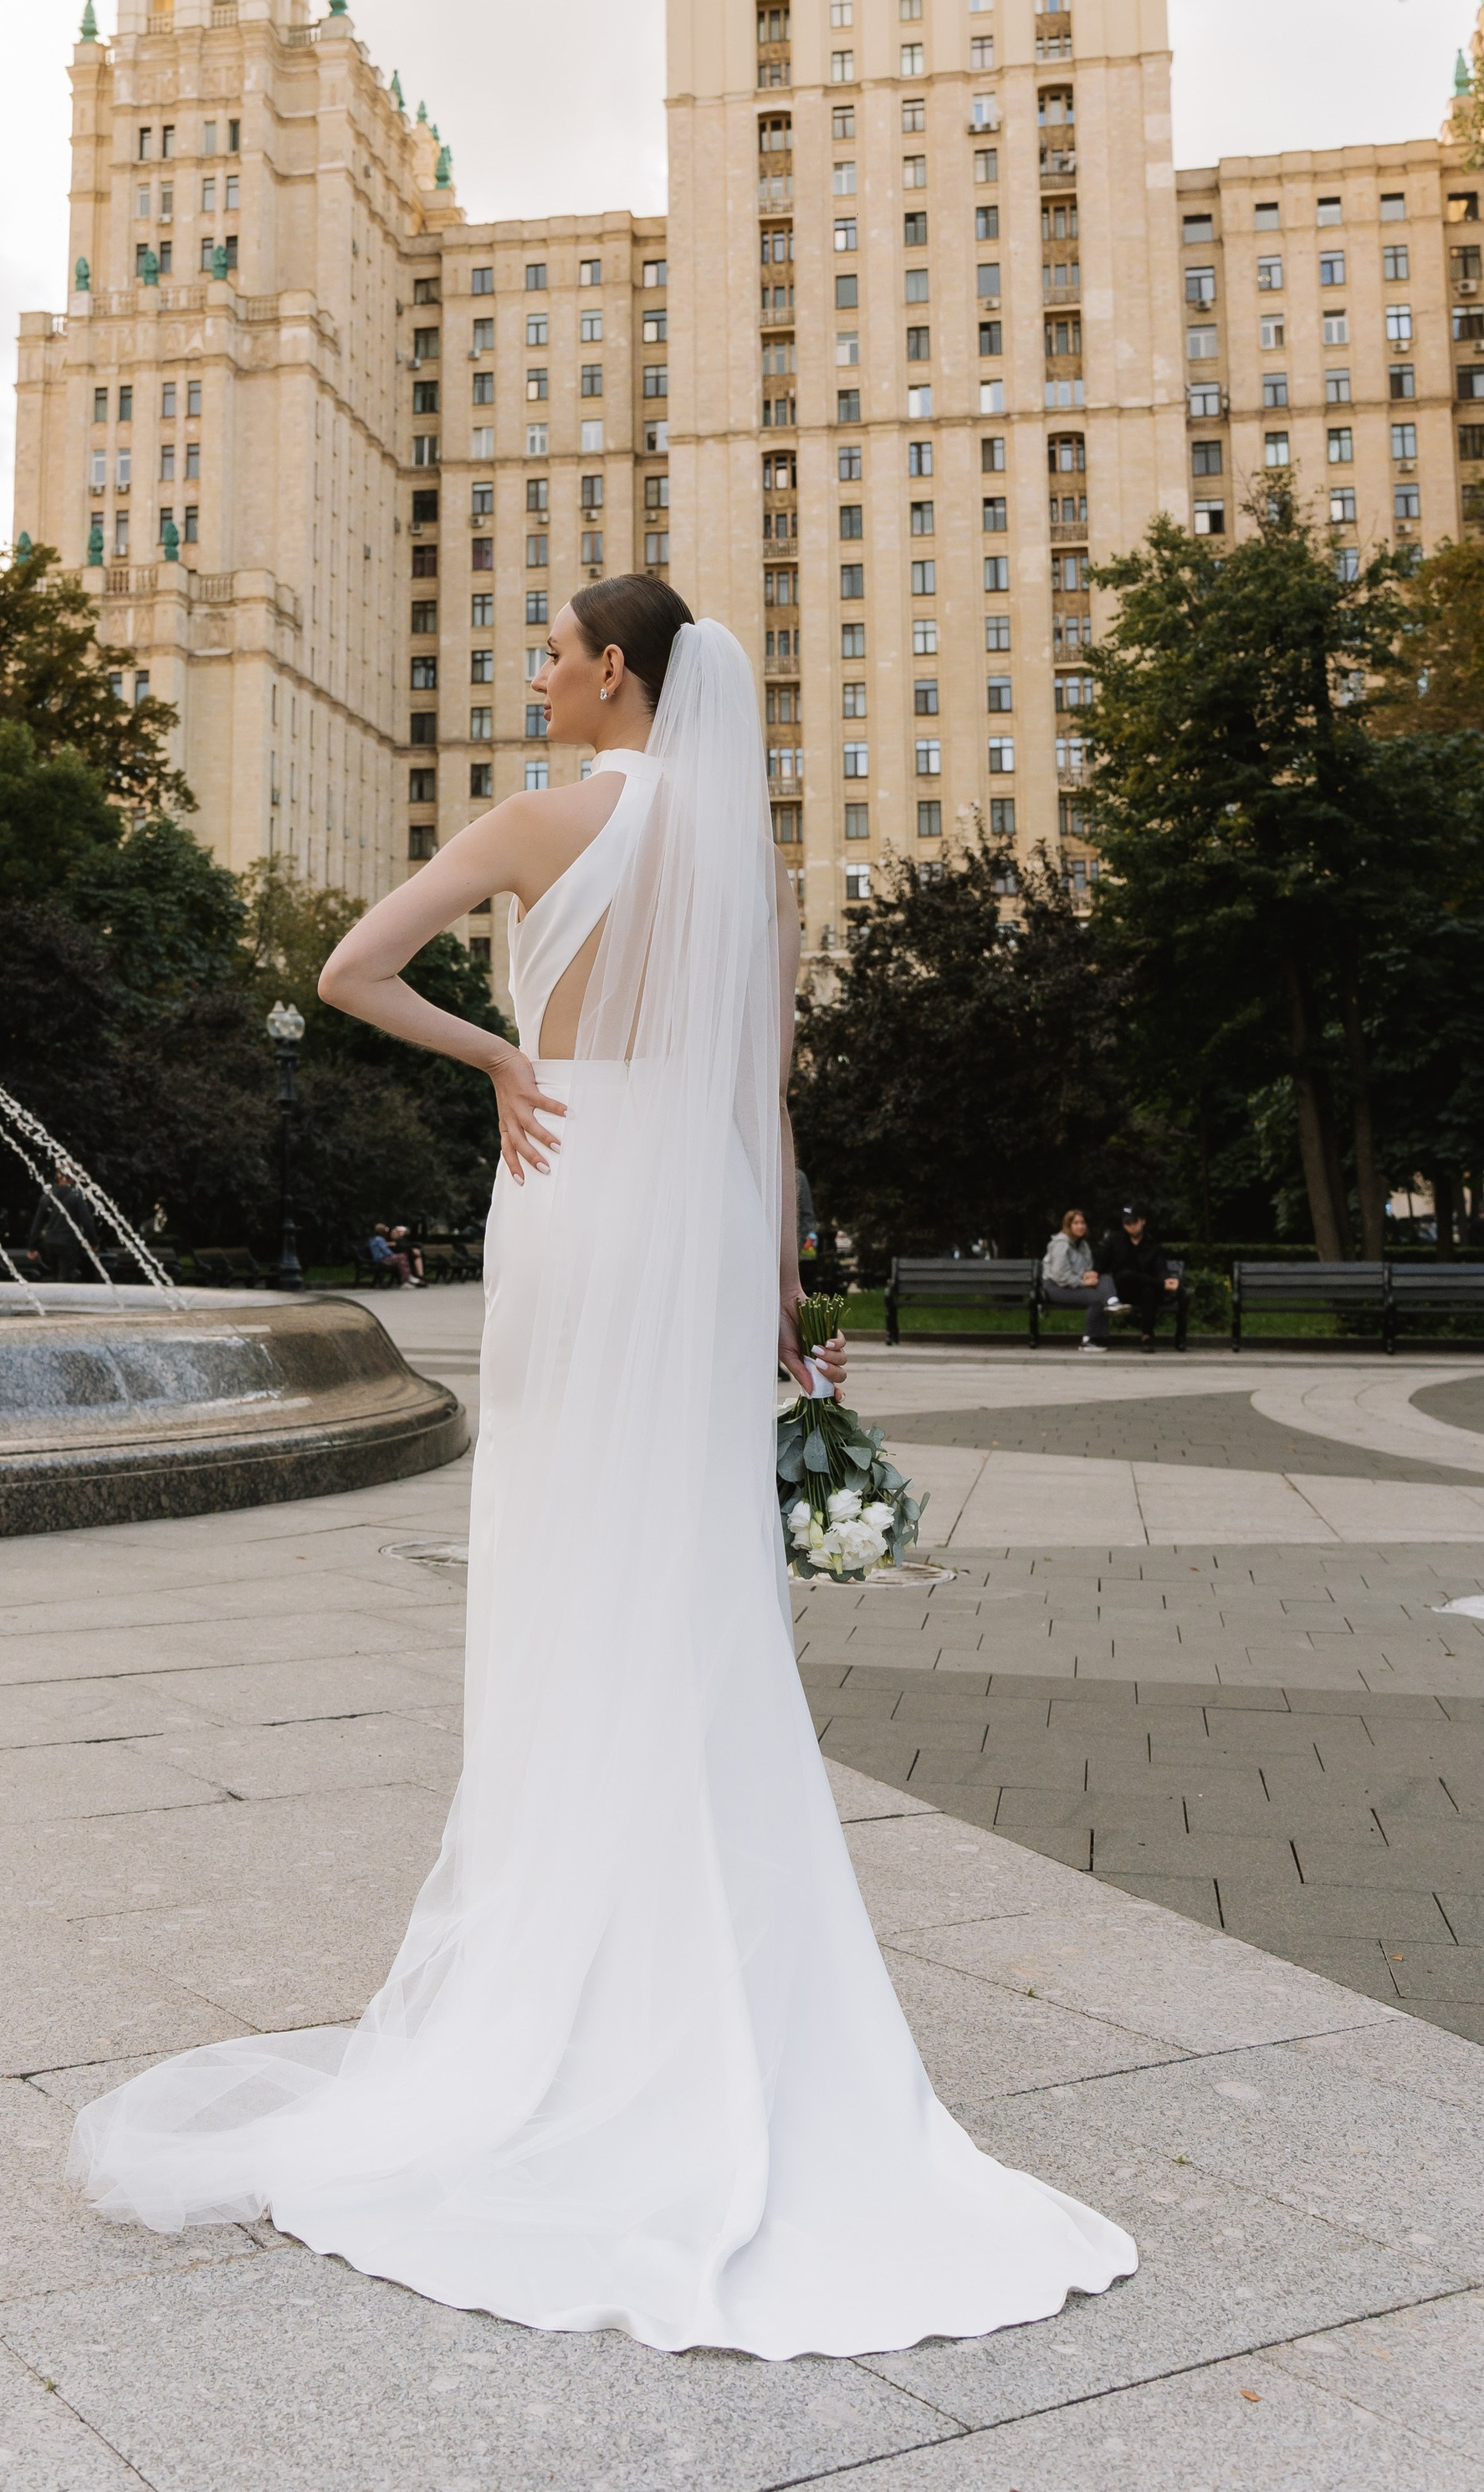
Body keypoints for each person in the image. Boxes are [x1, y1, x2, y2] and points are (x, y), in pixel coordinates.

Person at [69, 576, 1133, 2359]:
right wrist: (786, 1292)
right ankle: (709, 1965)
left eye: (552, 653)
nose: (534, 675)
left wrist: (498, 1053)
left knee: (568, 1563)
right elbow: (763, 1100)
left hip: (568, 1183)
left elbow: (347, 971)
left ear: (614, 673)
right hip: (704, 1219)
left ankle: (568, 1967)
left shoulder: (533, 823)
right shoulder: (737, 855)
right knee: (691, 1573)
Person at [1082, 1203, 1176, 1351]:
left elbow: (1161, 1268)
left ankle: (1147, 1336)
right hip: (1120, 1290)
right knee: (1125, 1275)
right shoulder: (1115, 1240)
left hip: (1143, 1290)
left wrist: (1165, 1279)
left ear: (1143, 1221)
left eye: (1134, 1222)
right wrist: (1094, 1271)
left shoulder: (1153, 1245)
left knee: (1149, 1292)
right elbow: (1102, 1262)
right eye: (1127, 1223)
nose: (1131, 1226)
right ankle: (1096, 1337)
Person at [1043, 1206, 1098, 1316]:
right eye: (1076, 1223)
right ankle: (1092, 1333)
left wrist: (1089, 1275)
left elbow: (1087, 1268)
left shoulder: (1083, 1245)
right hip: (1056, 1287)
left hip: (1073, 1285)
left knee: (1101, 1293)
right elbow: (1060, 1276)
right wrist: (1083, 1283)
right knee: (1096, 1298)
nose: (1081, 1226)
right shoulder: (1061, 1244)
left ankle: (1095, 1333)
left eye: (1082, 1223)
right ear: (1068, 1226)